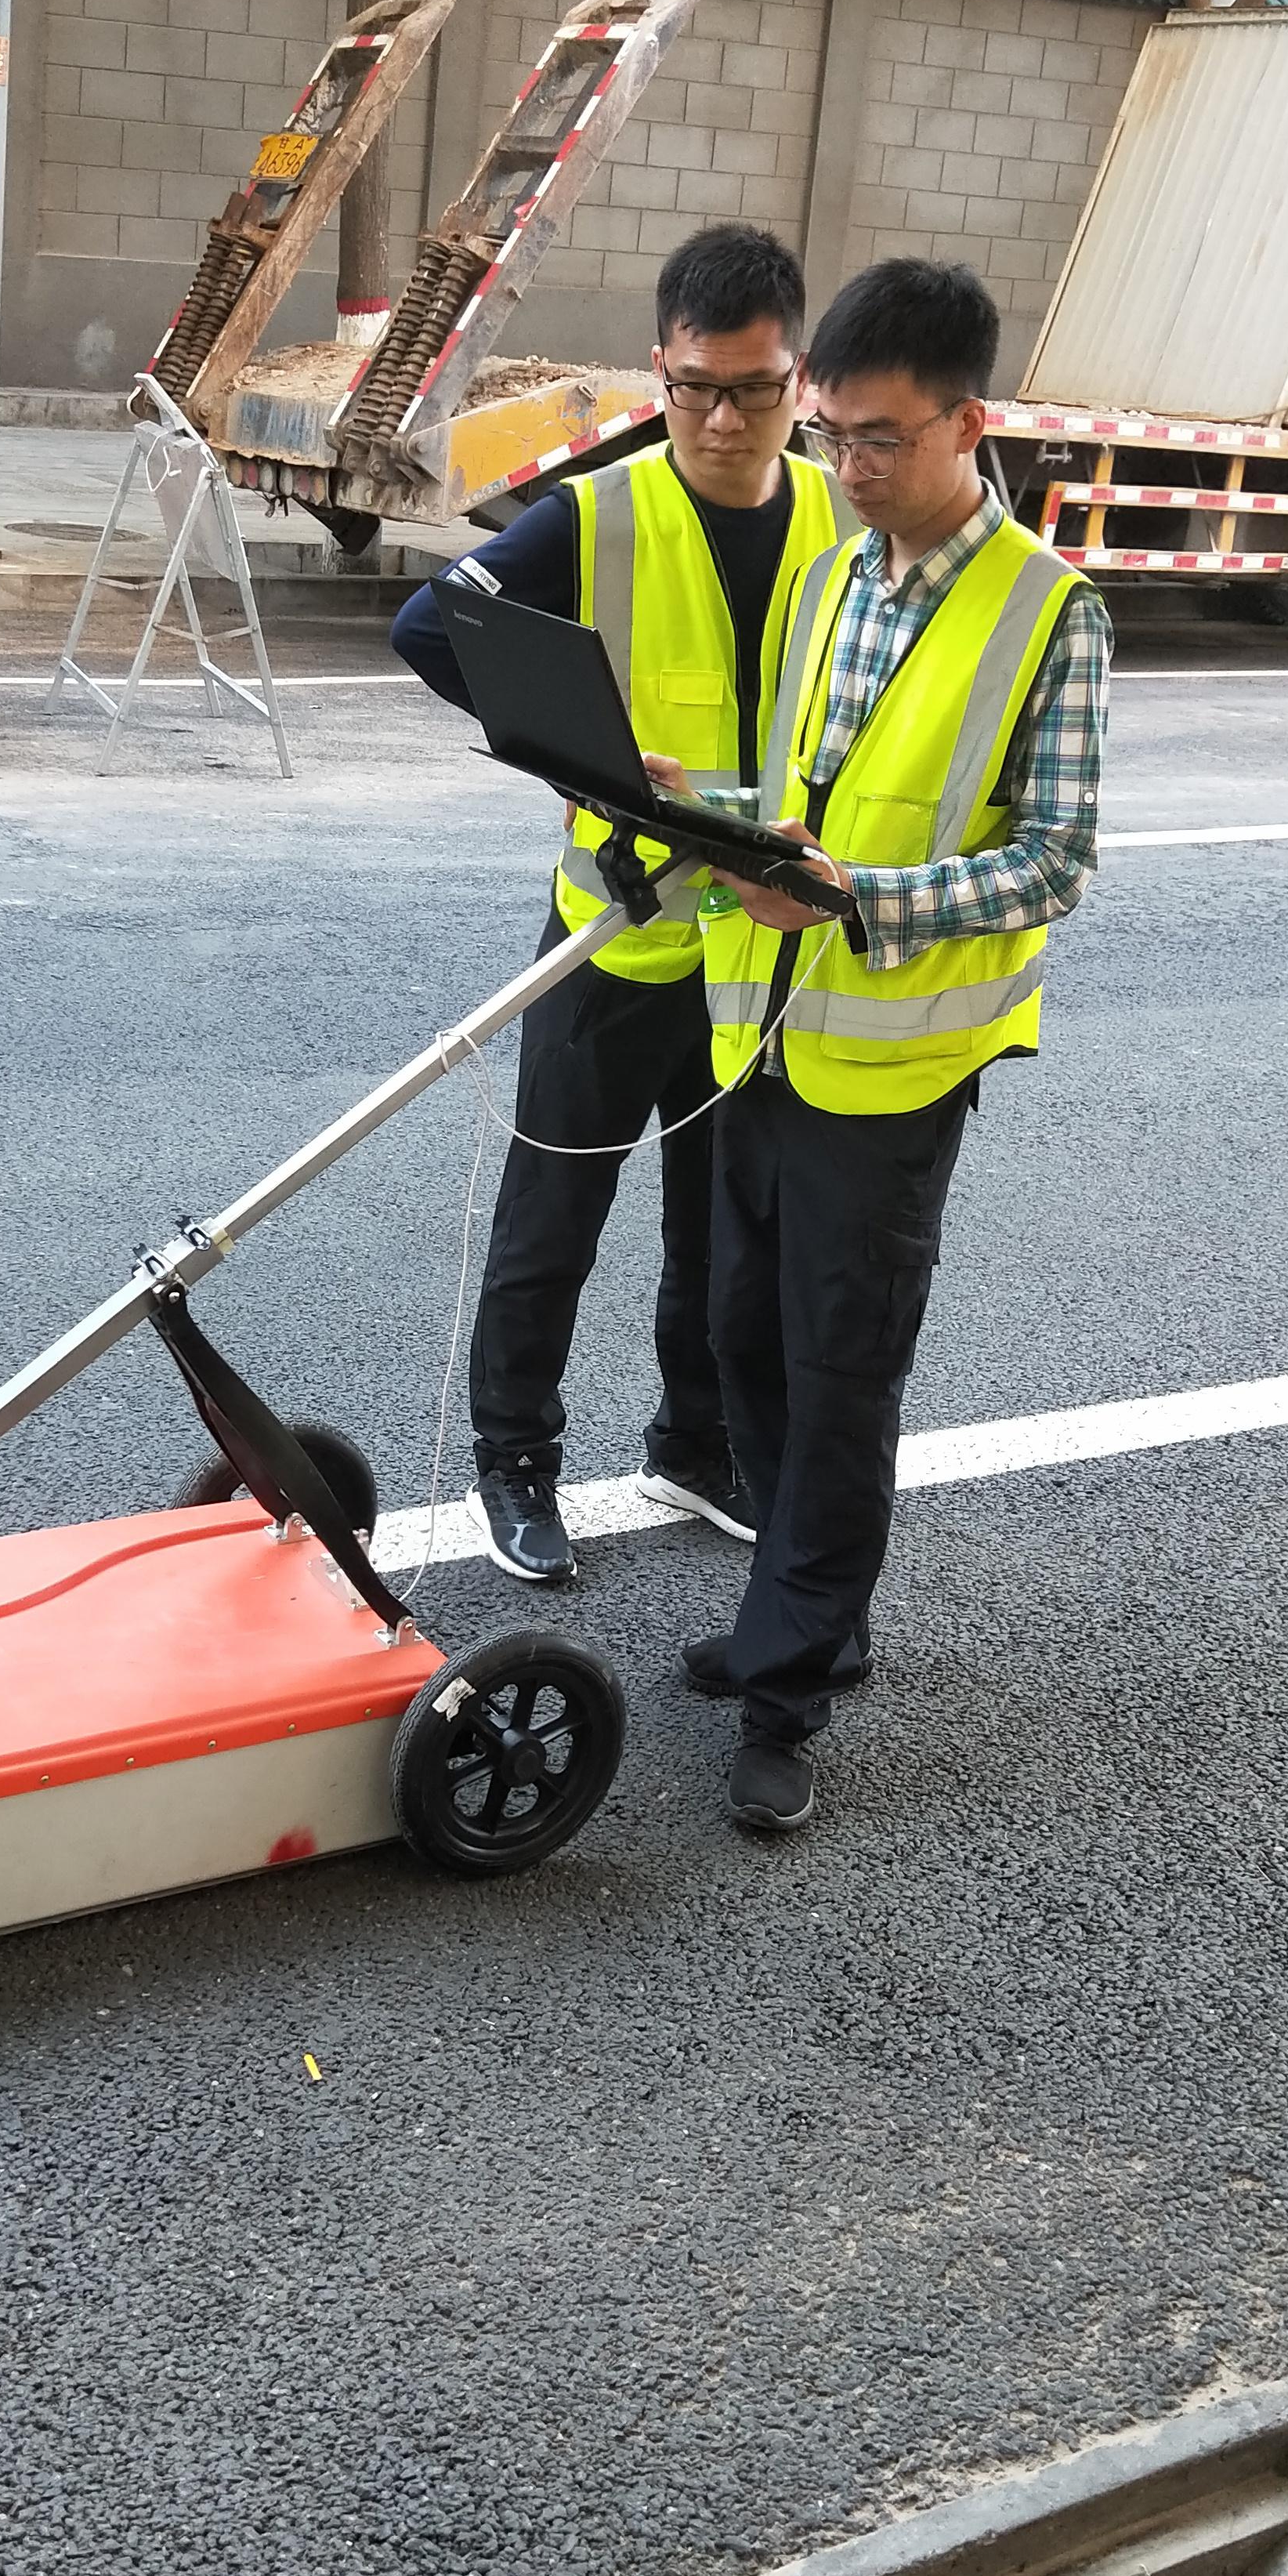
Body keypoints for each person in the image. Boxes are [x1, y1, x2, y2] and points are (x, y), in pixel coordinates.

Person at [676, 257, 1109, 1835]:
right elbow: (807, 783)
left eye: (876, 438)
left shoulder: (1050, 613)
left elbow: (1051, 861)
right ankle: (813, 1616)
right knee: (744, 1346)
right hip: (764, 1032)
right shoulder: (832, 571)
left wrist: (858, 901)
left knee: (840, 1372)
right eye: (830, 434)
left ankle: (790, 1686)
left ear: (968, 424)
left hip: (894, 1060)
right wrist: (703, 806)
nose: (845, 467)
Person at [392, 223, 840, 1584]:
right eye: (694, 385)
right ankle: (513, 1461)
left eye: (752, 389)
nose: (718, 417)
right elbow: (429, 627)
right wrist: (575, 751)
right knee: (551, 1224)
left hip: (749, 957)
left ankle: (693, 1443)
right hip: (615, 936)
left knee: (721, 1234)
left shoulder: (832, 517)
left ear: (797, 378)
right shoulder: (598, 509)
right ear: (660, 367)